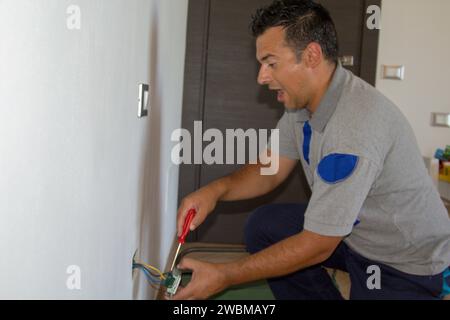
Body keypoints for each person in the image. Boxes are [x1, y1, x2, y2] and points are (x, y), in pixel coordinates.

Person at [172, 0, 450, 300]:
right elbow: (270, 170)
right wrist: (215, 191)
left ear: (312, 56)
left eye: (271, 63)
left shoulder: (354, 129)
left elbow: (319, 243)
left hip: (403, 260)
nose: (261, 77)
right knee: (264, 227)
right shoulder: (301, 105)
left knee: (313, 243)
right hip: (354, 234)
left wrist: (226, 275)